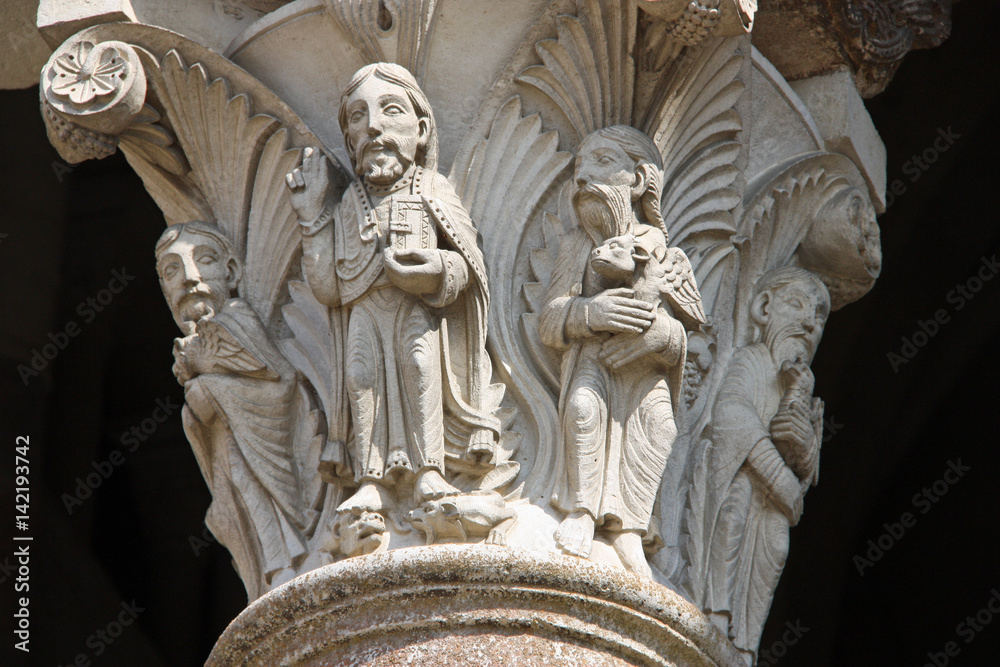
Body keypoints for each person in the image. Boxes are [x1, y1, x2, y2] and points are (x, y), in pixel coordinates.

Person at [285, 63, 499, 514]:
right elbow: (328, 289)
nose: (374, 126)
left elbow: (469, 265)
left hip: (416, 310)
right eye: (358, 116)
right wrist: (311, 217)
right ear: (349, 142)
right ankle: (372, 479)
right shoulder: (349, 203)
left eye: (391, 110)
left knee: (420, 367)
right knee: (361, 377)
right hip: (364, 312)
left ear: (421, 131)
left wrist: (436, 270)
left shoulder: (432, 188)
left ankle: (429, 471)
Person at [539, 125, 704, 577]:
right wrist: (590, 313)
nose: (582, 178)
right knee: (582, 408)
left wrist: (659, 337)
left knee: (660, 426)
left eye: (601, 162)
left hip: (645, 373)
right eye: (579, 167)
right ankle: (582, 510)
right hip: (592, 361)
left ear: (639, 181)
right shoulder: (578, 247)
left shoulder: (667, 256)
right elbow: (549, 320)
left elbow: (688, 337)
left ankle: (631, 528)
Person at [156, 221, 306, 598]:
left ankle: (290, 563)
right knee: (237, 494)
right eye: (172, 270)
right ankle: (273, 569)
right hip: (233, 454)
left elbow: (281, 379)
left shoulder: (237, 316)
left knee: (252, 489)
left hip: (267, 450)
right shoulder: (194, 340)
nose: (189, 277)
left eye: (204, 260)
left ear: (233, 271)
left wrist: (209, 387)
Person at [704, 266, 829, 662]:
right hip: (744, 483)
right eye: (797, 305)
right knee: (734, 510)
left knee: (776, 541)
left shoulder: (808, 396)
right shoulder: (751, 359)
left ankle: (744, 645)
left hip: (772, 506)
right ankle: (714, 615)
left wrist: (803, 445)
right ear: (762, 307)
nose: (809, 324)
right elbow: (730, 414)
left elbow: (807, 469)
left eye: (819, 318)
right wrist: (779, 477)